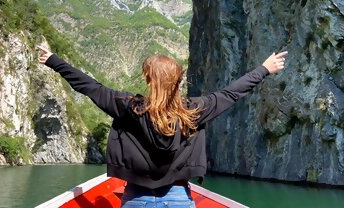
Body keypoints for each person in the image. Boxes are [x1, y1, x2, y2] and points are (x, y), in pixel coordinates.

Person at [37, 45, 287, 208]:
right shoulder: (193, 111)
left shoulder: (128, 107)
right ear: (179, 82)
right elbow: (231, 93)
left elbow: (89, 86)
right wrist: (264, 69)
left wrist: (53, 60)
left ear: (148, 79)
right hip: (179, 198)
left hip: (136, 198)